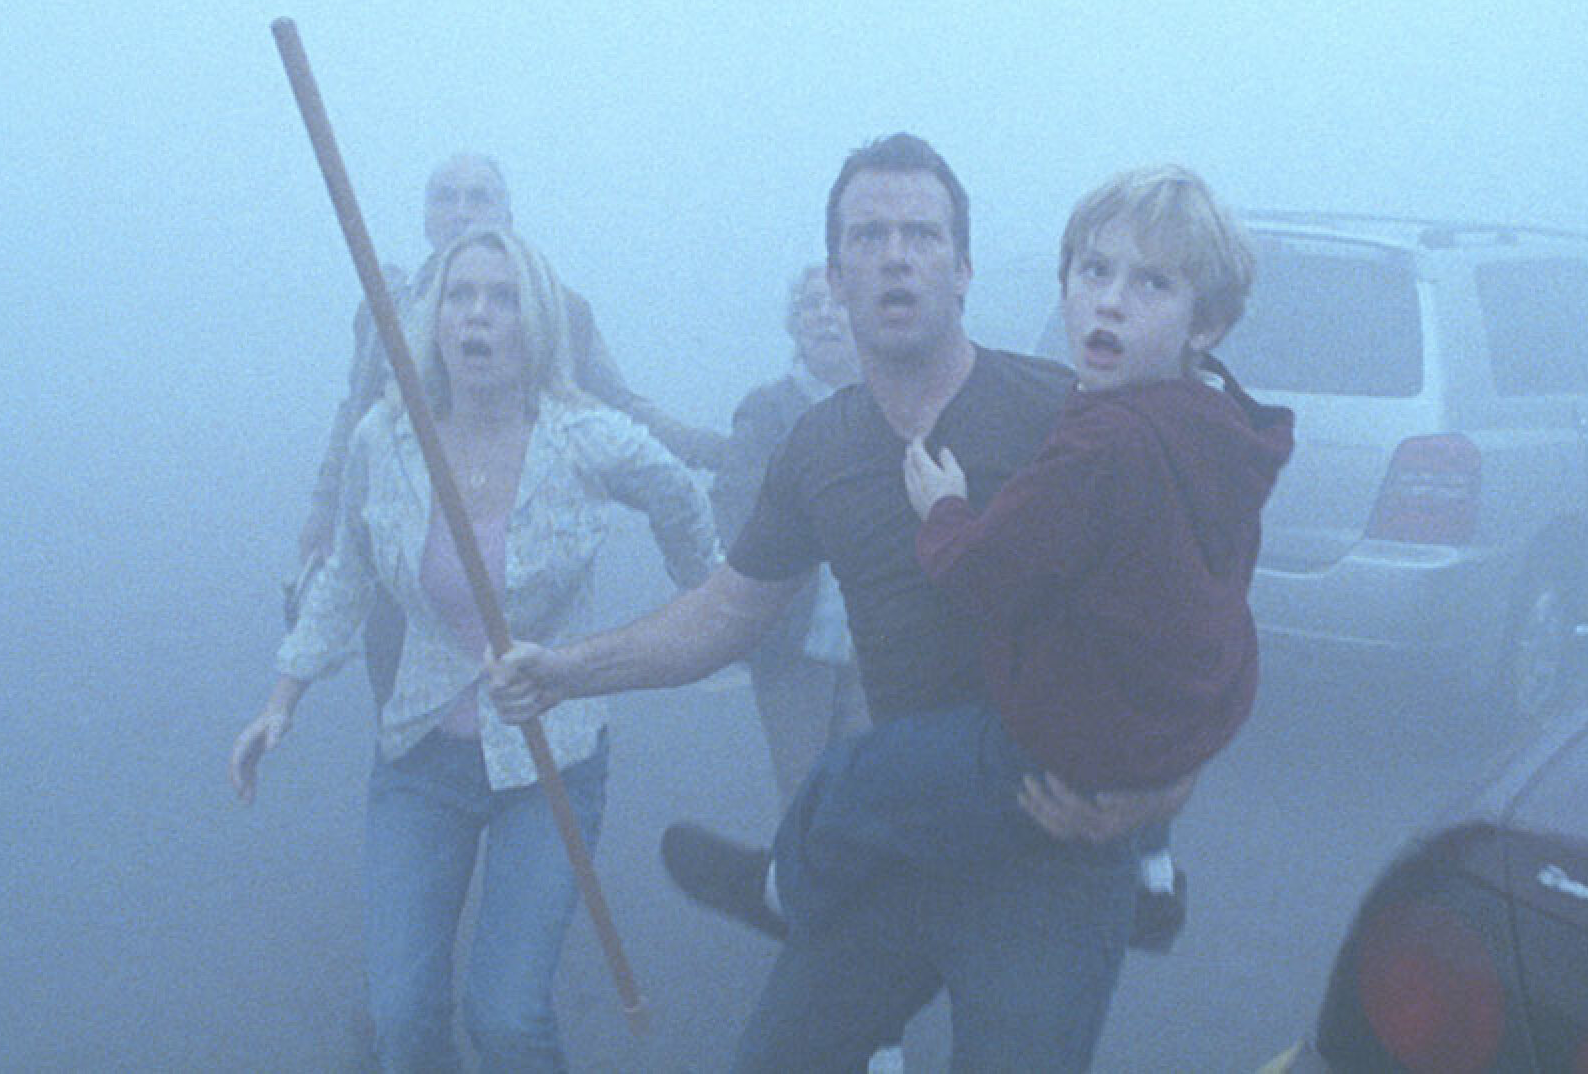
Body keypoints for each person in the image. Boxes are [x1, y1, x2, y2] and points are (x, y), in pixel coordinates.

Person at [487, 134, 1191, 1072]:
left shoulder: (1064, 415)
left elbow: (1183, 627)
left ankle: (785, 882)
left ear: (964, 270)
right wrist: (567, 671)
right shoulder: (818, 450)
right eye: (868, 236)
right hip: (894, 852)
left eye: (920, 234)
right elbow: (726, 614)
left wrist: (1157, 795)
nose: (895, 253)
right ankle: (793, 889)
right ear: (836, 277)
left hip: (1052, 853)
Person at [764, 165, 1295, 954]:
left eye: (1151, 283)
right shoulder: (1219, 431)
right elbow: (1219, 584)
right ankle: (1151, 870)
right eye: (1095, 271)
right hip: (1172, 723)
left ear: (1205, 323)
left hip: (1064, 739)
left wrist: (943, 510)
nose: (1111, 300)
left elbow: (986, 578)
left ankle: (778, 893)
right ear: (1066, 280)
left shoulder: (1099, 439)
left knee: (854, 774)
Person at [232, 227, 719, 1073]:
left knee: (507, 1021)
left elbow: (679, 495)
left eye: (502, 298)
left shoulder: (584, 438)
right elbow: (347, 577)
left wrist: (707, 606)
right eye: (462, 296)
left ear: (534, 322)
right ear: (434, 319)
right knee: (405, 1021)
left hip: (553, 759)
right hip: (419, 757)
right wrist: (282, 699)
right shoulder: (384, 442)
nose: (479, 317)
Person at [294, 152, 724, 704]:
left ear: (507, 216)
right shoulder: (385, 307)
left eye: (479, 197)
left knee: (522, 703)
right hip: (406, 551)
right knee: (403, 699)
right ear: (427, 218)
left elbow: (615, 402)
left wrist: (705, 448)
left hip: (517, 551)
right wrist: (323, 507)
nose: (461, 212)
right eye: (445, 197)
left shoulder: (558, 309)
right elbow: (355, 410)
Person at [708, 263, 868, 803]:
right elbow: (737, 516)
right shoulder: (767, 409)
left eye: (838, 303)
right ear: (793, 325)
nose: (824, 316)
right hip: (794, 642)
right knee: (807, 799)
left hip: (876, 642)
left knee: (872, 796)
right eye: (810, 305)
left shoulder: (892, 402)